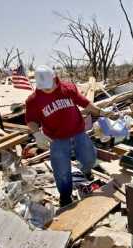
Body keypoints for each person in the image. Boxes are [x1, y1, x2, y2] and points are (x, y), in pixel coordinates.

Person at [25, 65, 102, 207]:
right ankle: (65, 197)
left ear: (55, 78)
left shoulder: (68, 88)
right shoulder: (33, 100)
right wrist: (36, 133)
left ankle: (85, 172)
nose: (47, 89)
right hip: (57, 139)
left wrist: (101, 112)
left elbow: (84, 102)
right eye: (44, 87)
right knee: (61, 171)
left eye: (49, 86)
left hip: (78, 132)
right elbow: (31, 120)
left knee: (90, 158)